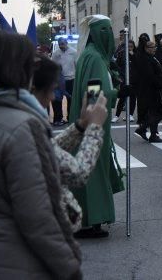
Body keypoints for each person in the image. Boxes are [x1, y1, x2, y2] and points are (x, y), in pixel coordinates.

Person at [0, 32, 82, 278]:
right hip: (12, 262)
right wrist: (69, 266)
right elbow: (37, 215)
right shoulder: (23, 126)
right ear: (14, 70)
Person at [31, 56, 107, 233]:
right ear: (32, 89)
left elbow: (48, 150)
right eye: (50, 91)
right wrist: (94, 128)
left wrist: (80, 126)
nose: (52, 98)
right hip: (43, 231)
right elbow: (77, 173)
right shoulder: (24, 123)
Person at [68, 15, 125, 239]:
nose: (109, 35)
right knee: (93, 171)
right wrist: (117, 93)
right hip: (94, 122)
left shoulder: (94, 56)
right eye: (106, 30)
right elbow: (93, 92)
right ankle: (89, 221)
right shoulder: (92, 58)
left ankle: (90, 219)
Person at [134, 38, 162, 143]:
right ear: (146, 48)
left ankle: (152, 133)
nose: (154, 49)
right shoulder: (146, 59)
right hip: (150, 90)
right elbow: (150, 75)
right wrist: (160, 83)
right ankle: (143, 129)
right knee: (157, 113)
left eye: (155, 47)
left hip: (152, 89)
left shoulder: (151, 57)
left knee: (154, 113)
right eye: (152, 47)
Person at [51, 37, 78, 126]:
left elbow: (77, 65)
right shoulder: (55, 53)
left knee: (71, 100)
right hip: (59, 80)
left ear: (66, 43)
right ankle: (58, 119)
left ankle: (70, 118)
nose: (61, 46)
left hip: (71, 79)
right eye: (59, 44)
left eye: (62, 44)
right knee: (57, 100)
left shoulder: (73, 52)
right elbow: (53, 66)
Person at [113, 40, 137, 123]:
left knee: (133, 97)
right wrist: (120, 76)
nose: (130, 48)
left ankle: (130, 115)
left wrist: (133, 55)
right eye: (128, 46)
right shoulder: (121, 53)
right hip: (124, 78)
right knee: (122, 97)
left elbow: (139, 64)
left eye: (132, 46)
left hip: (133, 79)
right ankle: (117, 115)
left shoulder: (135, 53)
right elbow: (117, 66)